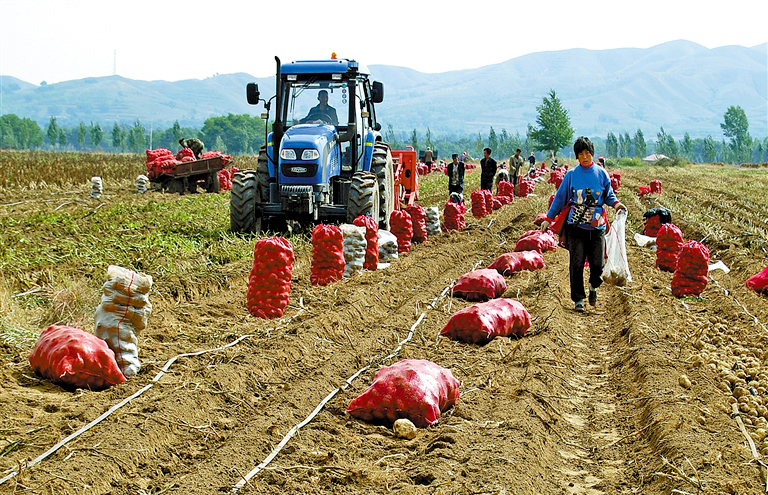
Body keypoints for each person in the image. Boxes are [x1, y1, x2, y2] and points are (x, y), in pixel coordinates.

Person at [541, 136, 626, 313]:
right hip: (576, 226)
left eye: (587, 153)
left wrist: (617, 204)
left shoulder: (601, 173)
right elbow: (560, 198)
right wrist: (549, 218)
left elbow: (609, 195)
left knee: (598, 264)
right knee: (576, 263)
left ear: (592, 154)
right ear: (577, 157)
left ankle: (594, 286)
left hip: (597, 227)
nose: (585, 157)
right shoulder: (572, 175)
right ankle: (578, 299)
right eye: (581, 154)